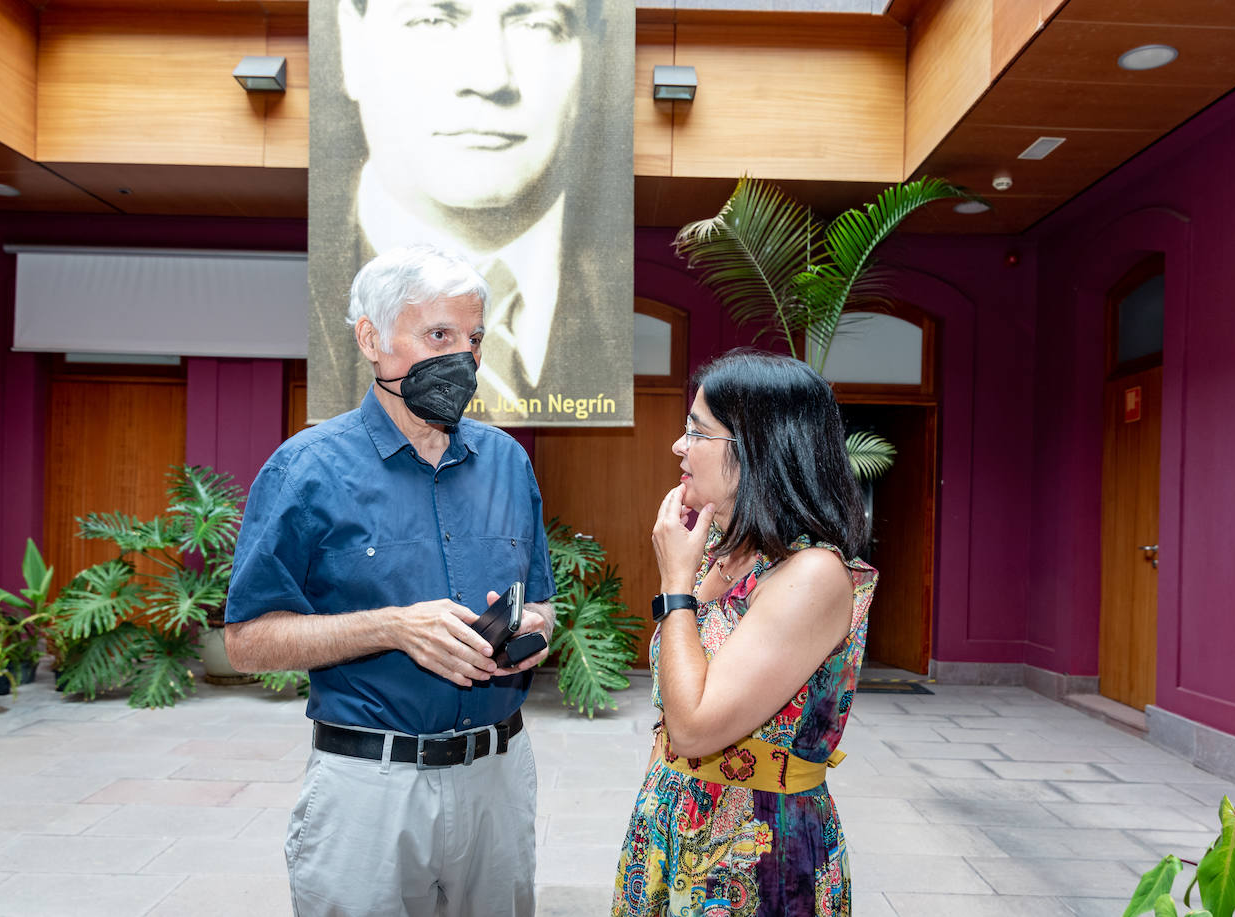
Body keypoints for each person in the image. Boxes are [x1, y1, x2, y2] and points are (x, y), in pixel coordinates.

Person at [225, 244, 557, 917]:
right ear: (371, 339)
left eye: (474, 339)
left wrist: (532, 630)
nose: (463, 359)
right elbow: (247, 643)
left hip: (498, 782)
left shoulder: (507, 462)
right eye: (439, 336)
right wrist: (394, 628)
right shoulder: (305, 469)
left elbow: (544, 605)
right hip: (366, 791)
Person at [611, 349, 878, 916]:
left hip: (755, 855)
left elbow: (693, 728)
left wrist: (675, 587)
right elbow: (673, 710)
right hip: (672, 824)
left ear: (756, 448)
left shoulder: (811, 574)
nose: (678, 447)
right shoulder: (717, 548)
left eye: (696, 432)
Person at [308, 0, 633, 424]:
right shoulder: (306, 454)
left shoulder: (620, 306)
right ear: (352, 43)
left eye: (538, 25)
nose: (489, 78)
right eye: (432, 20)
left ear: (591, 55)